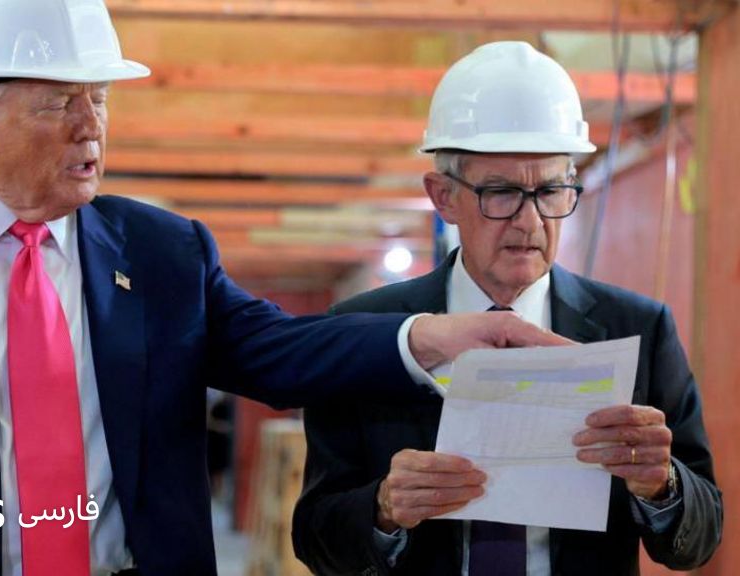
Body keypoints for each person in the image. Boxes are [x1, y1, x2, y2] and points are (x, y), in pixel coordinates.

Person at [0, 5, 568, 576]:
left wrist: (427, 337)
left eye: (98, 98)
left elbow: (278, 351)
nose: (92, 126)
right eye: (60, 102)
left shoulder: (164, 252)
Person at [293, 41, 722, 576]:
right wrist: (382, 509)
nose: (530, 221)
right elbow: (314, 537)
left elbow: (701, 537)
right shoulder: (365, 332)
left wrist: (662, 485)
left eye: (551, 191)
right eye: (501, 193)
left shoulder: (638, 329)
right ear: (443, 196)